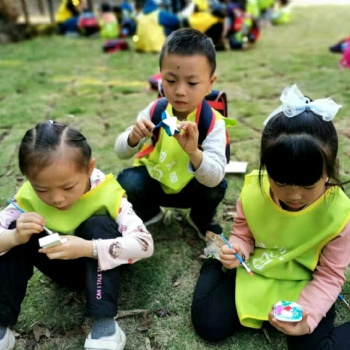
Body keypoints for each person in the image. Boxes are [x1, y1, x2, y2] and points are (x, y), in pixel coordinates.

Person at [191, 84, 350, 350]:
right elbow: (243, 232)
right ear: (266, 169)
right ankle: (213, 260)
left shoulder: (339, 214)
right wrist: (237, 249)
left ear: (329, 172)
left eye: (308, 186)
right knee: (209, 323)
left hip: (305, 284)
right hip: (258, 270)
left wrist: (307, 316)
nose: (295, 196)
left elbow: (330, 276)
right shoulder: (255, 192)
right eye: (281, 182)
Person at [0, 121, 154, 350]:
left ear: (89, 168)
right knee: (19, 226)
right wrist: (14, 237)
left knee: (99, 224)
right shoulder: (27, 198)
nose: (57, 199)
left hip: (102, 266)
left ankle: (104, 326)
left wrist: (87, 248)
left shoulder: (108, 193)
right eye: (42, 190)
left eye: (68, 187)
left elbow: (145, 244)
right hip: (60, 266)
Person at [115, 27, 228, 239]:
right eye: (171, 80)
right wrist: (133, 137)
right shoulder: (154, 110)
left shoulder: (212, 122)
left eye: (192, 83)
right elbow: (120, 151)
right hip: (156, 182)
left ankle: (199, 218)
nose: (180, 91)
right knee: (126, 181)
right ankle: (151, 213)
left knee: (218, 186)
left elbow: (214, 178)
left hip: (193, 189)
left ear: (209, 84)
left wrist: (194, 152)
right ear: (160, 79)